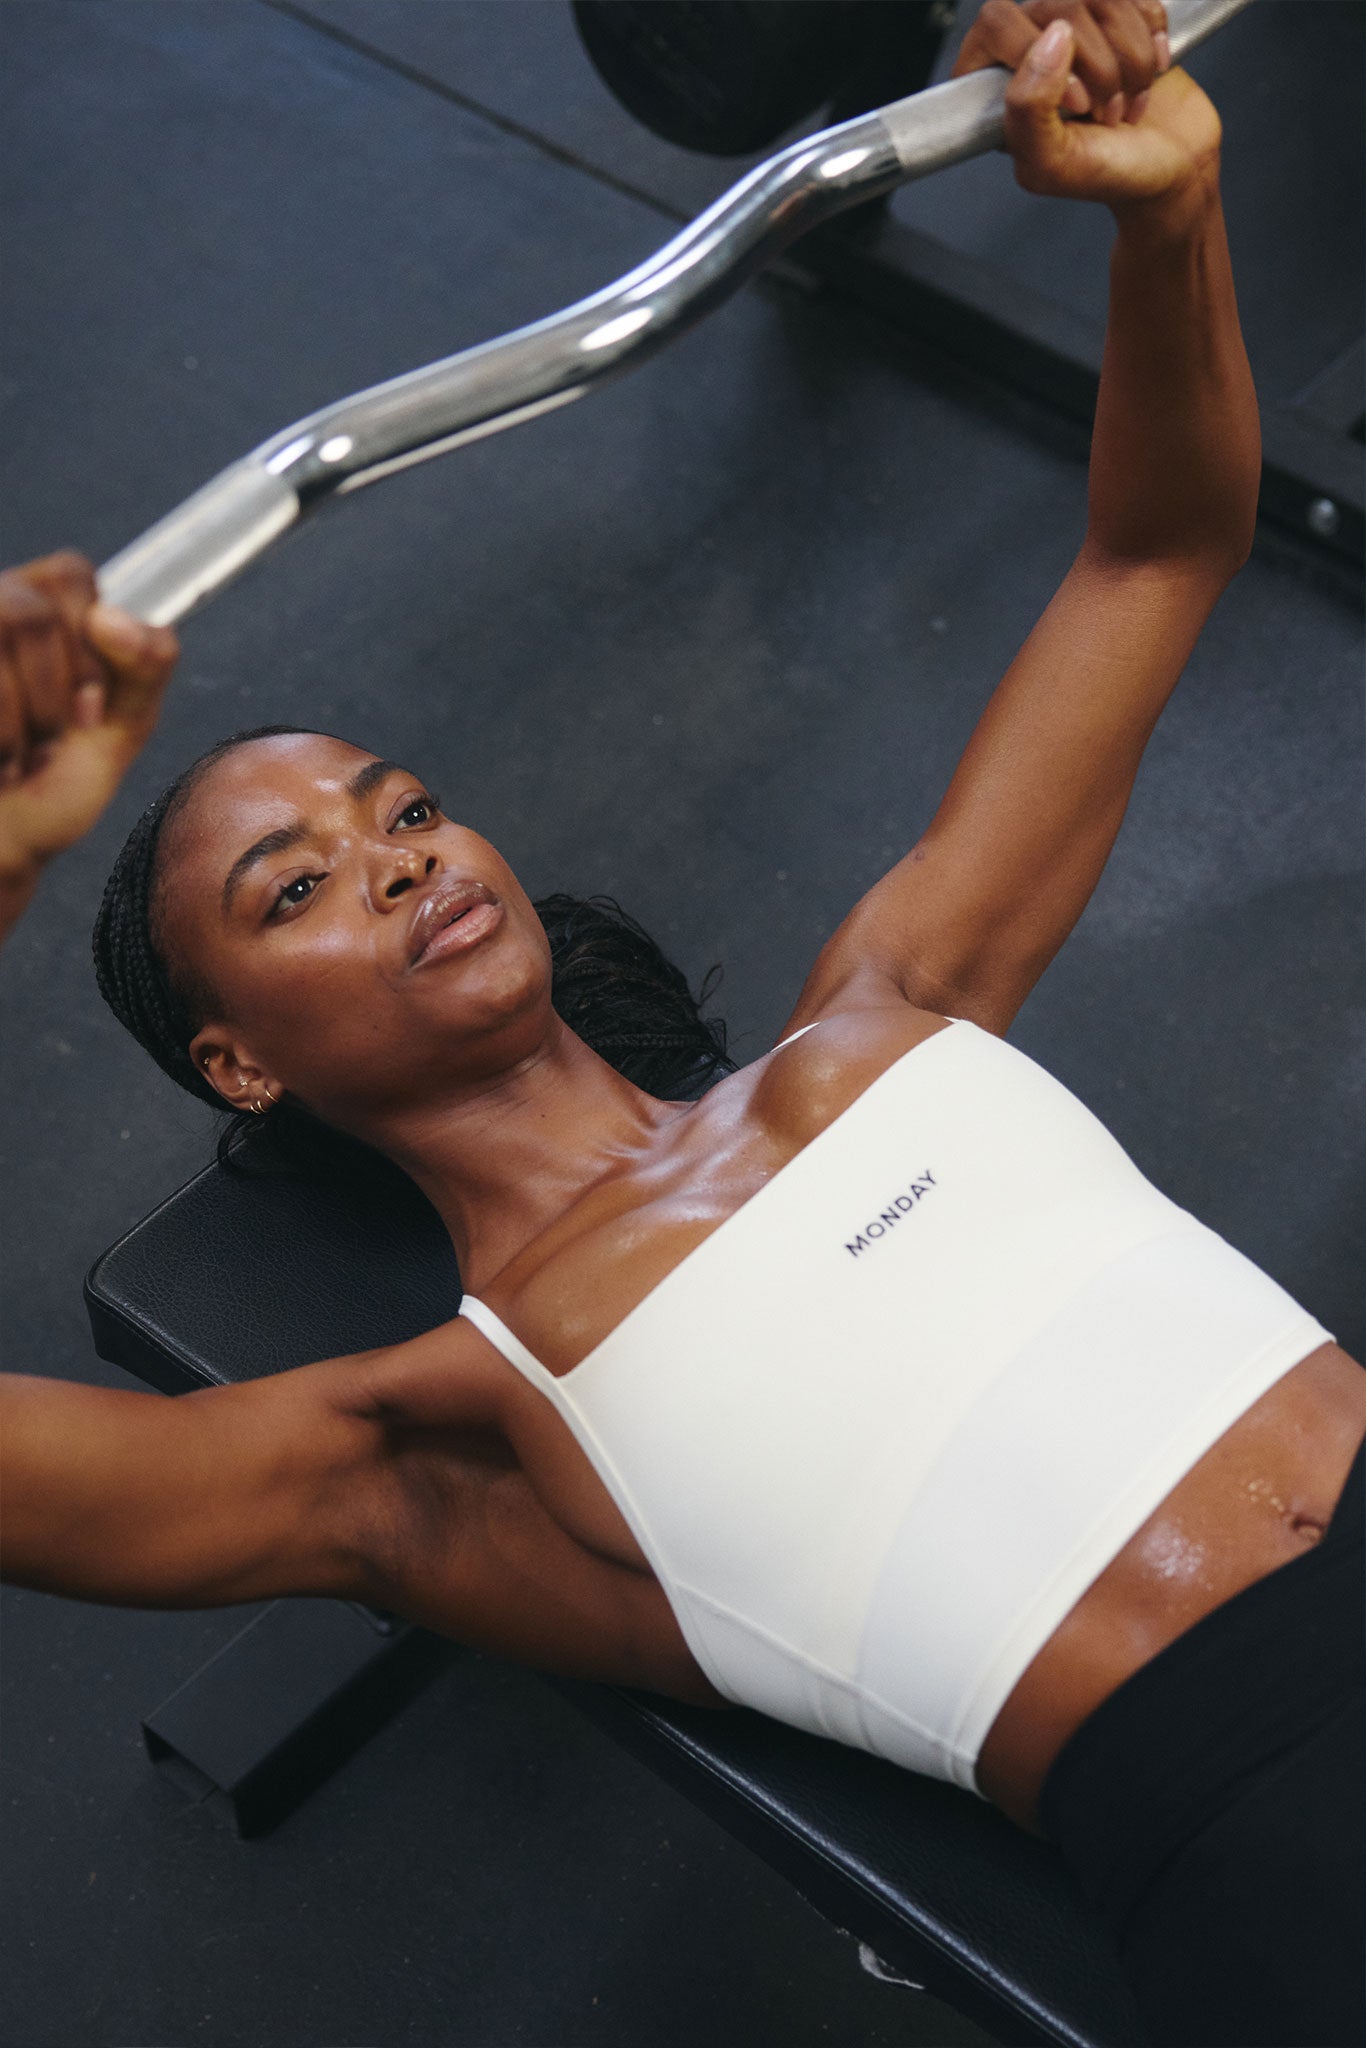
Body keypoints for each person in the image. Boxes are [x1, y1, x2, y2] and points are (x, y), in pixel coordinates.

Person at [1, 4, 1361, 2042]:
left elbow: (1151, 550)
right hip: (1273, 1814)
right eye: (291, 888)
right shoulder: (439, 1445)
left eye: (400, 808)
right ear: (238, 1062)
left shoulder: (891, 1011)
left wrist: (1168, 214)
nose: (387, 859)